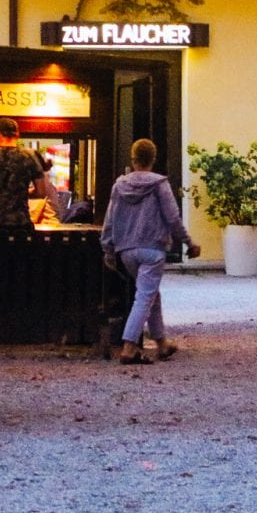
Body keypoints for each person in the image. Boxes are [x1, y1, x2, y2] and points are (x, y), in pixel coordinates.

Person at [100, 138, 200, 365]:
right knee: (145, 296)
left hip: (127, 251)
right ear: (153, 159)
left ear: (133, 159)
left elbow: (110, 220)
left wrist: (108, 249)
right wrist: (188, 242)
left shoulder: (119, 186)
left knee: (150, 293)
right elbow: (172, 218)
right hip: (152, 248)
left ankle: (161, 343)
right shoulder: (159, 185)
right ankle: (129, 346)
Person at [0, 117, 54, 230]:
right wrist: (19, 193)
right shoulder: (30, 157)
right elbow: (41, 192)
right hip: (20, 224)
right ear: (17, 135)